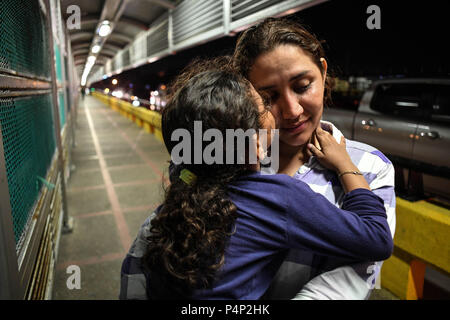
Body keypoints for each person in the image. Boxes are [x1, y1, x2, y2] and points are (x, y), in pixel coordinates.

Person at [120, 62, 393, 299]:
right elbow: (377, 238)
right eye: (265, 101)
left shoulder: (184, 187)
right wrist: (345, 164)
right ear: (255, 147)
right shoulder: (276, 197)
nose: (281, 111)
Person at [232, 17, 396, 299]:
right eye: (269, 97)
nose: (292, 110)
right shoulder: (230, 162)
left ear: (322, 71)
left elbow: (348, 283)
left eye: (302, 86)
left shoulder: (370, 167)